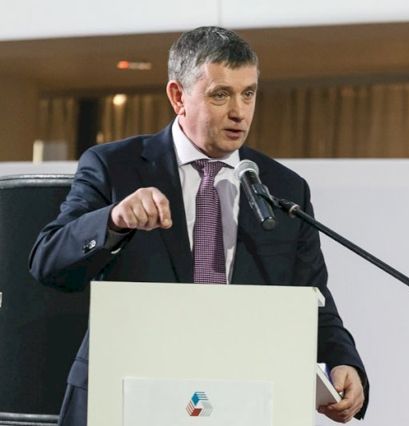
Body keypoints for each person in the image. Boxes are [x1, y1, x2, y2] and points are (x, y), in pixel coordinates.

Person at [29, 26, 368, 425]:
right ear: (178, 97)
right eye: (220, 95)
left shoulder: (283, 188)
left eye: (249, 93)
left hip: (236, 400)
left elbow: (312, 298)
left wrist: (343, 359)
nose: (239, 111)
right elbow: (48, 263)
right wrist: (113, 220)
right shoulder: (115, 166)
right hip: (128, 394)